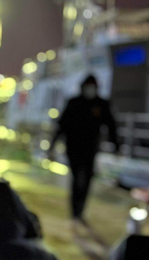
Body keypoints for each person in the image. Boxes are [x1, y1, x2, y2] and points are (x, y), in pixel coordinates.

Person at [49, 75, 118, 223]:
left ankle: (80, 210)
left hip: (90, 148)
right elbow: (62, 125)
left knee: (86, 178)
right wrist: (52, 145)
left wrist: (116, 144)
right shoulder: (73, 103)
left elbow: (111, 125)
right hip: (73, 148)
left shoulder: (101, 104)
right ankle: (75, 209)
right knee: (76, 178)